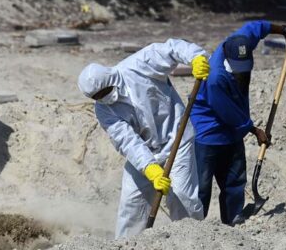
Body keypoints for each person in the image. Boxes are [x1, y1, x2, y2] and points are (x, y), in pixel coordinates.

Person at [77, 39, 209, 238]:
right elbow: (127, 141)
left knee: (182, 197)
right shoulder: (103, 110)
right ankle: (127, 249)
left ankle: (192, 241)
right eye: (97, 97)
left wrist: (196, 57)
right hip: (146, 152)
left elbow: (171, 49)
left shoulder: (139, 65)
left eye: (104, 92)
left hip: (177, 139)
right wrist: (149, 168)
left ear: (110, 78)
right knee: (132, 202)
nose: (103, 98)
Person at [190, 21, 286, 225]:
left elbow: (257, 26)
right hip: (208, 134)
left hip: (232, 132)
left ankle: (233, 222)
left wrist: (285, 30)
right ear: (227, 61)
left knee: (235, 182)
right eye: (238, 70)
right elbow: (229, 114)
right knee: (201, 188)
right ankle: (194, 230)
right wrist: (255, 130)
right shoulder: (215, 77)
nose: (242, 74)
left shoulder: (240, 43)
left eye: (245, 69)